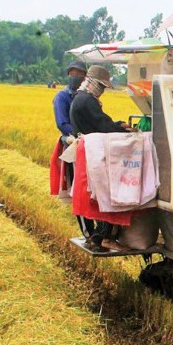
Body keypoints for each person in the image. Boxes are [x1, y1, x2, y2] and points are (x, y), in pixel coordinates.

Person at [70, 65, 135, 252]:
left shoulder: (78, 98)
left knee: (96, 197)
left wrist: (116, 124)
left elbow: (100, 122)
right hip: (94, 154)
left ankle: (98, 236)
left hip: (87, 153)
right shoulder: (87, 101)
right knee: (109, 196)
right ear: (94, 83)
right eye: (102, 86)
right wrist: (123, 130)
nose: (102, 91)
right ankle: (106, 237)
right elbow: (103, 126)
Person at [52, 60, 87, 187]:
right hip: (72, 143)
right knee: (75, 181)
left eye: (79, 74)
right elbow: (62, 123)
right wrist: (80, 134)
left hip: (86, 143)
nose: (75, 76)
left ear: (85, 77)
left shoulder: (85, 96)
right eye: (72, 73)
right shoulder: (62, 97)